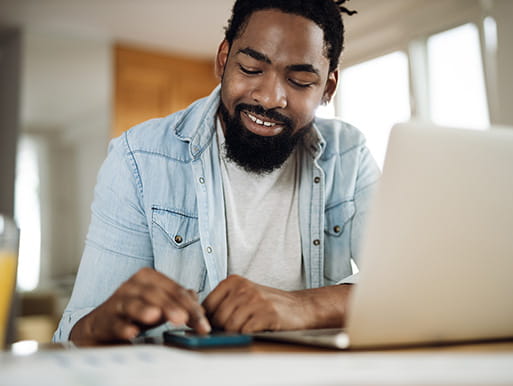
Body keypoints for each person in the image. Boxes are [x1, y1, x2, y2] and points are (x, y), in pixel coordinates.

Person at [53, 0, 380, 344]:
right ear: (224, 60)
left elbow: (412, 285)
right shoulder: (139, 158)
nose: (270, 98)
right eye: (252, 68)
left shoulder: (349, 155)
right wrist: (106, 320)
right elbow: (72, 335)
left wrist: (303, 307)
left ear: (327, 89)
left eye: (299, 81)